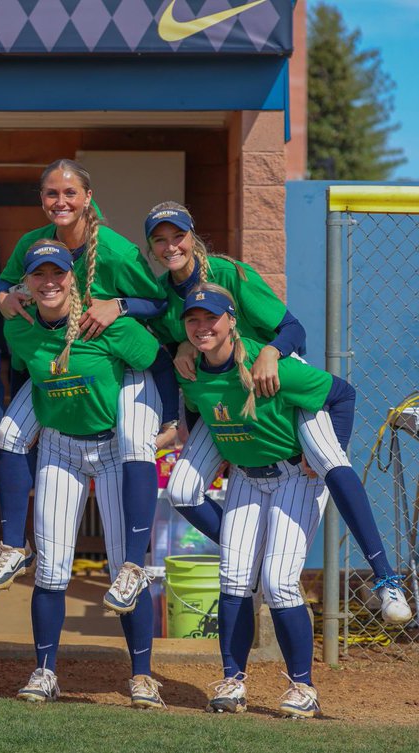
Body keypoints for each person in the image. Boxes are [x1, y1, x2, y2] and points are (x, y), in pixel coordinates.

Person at [146, 203, 412, 625]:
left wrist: (270, 351)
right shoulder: (163, 292)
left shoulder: (229, 274)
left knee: (328, 461)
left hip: (279, 380)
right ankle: (247, 557)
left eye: (176, 235)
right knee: (182, 490)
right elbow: (174, 340)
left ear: (192, 235)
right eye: (159, 239)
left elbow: (294, 330)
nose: (169, 246)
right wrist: (179, 345)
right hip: (227, 395)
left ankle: (385, 577)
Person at [0, 160, 169, 614]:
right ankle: (12, 546)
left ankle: (130, 563)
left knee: (133, 441)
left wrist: (120, 305)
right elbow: (8, 282)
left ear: (88, 197)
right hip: (56, 358)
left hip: (118, 355)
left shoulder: (112, 249)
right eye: (51, 193)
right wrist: (3, 296)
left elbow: (160, 303)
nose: (60, 202)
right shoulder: (34, 242)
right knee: (10, 432)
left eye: (70, 193)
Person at [171, 284, 361, 718]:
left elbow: (342, 393)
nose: (202, 326)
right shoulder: (193, 367)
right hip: (245, 479)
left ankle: (303, 687)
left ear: (231, 320)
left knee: (277, 582)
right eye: (193, 320)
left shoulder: (268, 365)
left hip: (296, 477)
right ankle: (232, 679)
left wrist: (335, 452)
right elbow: (203, 409)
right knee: (234, 577)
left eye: (211, 318)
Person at [3, 241, 170, 709]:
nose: (49, 281)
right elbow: (22, 376)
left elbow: (159, 364)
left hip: (115, 447)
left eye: (58, 273)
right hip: (60, 447)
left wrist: (172, 420)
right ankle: (44, 672)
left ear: (74, 278)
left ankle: (141, 675)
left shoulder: (107, 325)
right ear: (28, 283)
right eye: (39, 275)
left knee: (124, 571)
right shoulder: (21, 329)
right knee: (52, 570)